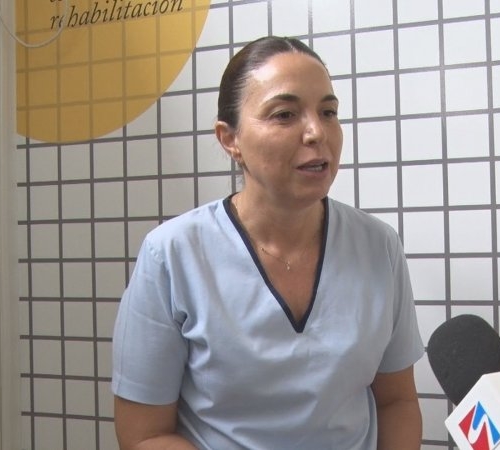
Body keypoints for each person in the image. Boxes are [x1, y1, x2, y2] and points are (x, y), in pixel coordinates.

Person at [111, 36, 424, 450]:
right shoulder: (171, 255)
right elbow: (144, 435)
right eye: (285, 115)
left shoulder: (378, 247)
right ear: (230, 139)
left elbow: (397, 401)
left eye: (328, 112)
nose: (316, 132)